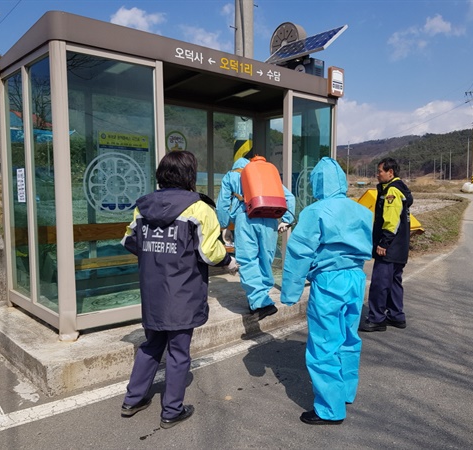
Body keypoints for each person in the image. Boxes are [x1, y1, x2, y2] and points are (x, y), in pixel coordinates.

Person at [120, 150, 238, 429]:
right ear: (189, 175)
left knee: (151, 344)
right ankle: (171, 410)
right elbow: (210, 253)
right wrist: (229, 262)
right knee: (178, 351)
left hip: (153, 291)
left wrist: (155, 255)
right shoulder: (200, 209)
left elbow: (128, 241)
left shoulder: (142, 207)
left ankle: (133, 399)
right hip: (183, 292)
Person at [280, 157, 373, 425]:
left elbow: (299, 253)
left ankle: (329, 410)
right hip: (356, 277)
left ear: (317, 183)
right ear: (342, 181)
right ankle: (344, 392)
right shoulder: (361, 211)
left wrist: (290, 292)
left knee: (323, 344)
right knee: (348, 337)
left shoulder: (315, 211)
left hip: (329, 280)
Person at [216, 154, 295, 320]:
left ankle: (261, 303)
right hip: (270, 220)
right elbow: (290, 198)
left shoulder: (231, 175)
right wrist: (286, 221)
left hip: (246, 218)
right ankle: (260, 299)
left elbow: (223, 204)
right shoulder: (264, 177)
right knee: (265, 259)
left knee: (248, 261)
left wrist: (224, 224)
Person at [359, 157, 413, 332]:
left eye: (380, 171)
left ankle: (377, 318)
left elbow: (391, 221)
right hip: (400, 247)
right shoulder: (400, 189)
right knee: (395, 281)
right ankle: (396, 315)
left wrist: (384, 242)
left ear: (391, 172)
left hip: (389, 247)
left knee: (380, 283)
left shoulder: (391, 191)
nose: (377, 174)